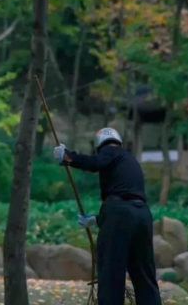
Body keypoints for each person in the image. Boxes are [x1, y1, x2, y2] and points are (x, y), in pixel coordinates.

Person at [54, 127, 162, 305]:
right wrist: (97, 219)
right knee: (144, 275)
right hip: (143, 215)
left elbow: (95, 164)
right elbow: (127, 198)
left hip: (119, 215)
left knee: (111, 275)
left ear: (100, 146)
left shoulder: (110, 152)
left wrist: (69, 157)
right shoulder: (129, 159)